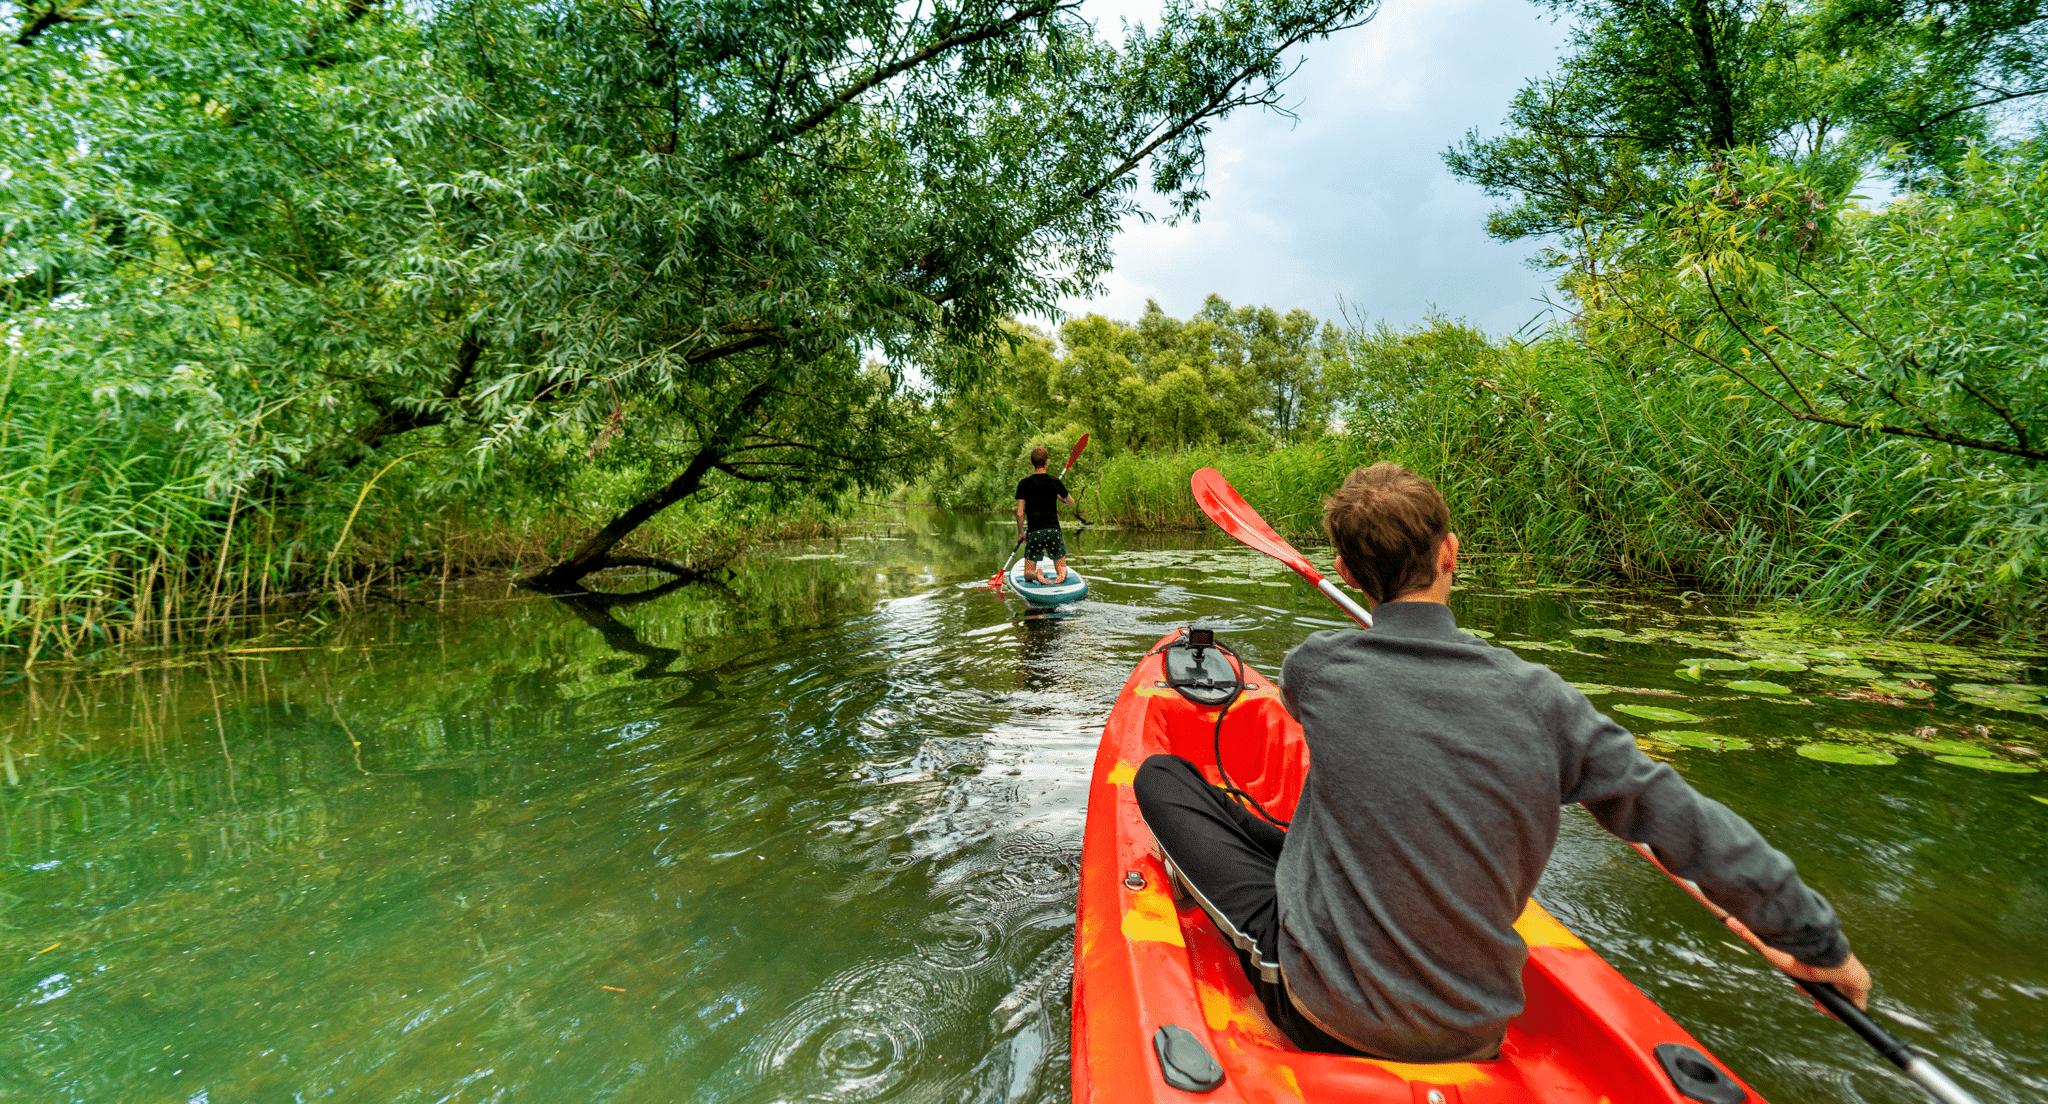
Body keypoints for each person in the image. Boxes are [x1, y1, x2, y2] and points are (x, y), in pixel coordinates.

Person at [1134, 462, 1870, 1063]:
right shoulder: (1546, 701)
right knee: (1313, 829)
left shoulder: (1314, 668)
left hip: (1325, 1014)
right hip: (1478, 1034)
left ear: (1346, 571)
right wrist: (1818, 943)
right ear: (1451, 553)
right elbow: (1688, 820)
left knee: (1161, 780)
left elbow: (1368, 711)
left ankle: (1260, 923)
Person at [1014, 445, 1078, 584]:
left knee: (1027, 574)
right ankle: (1061, 573)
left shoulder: (1024, 484)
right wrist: (1060, 498)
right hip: (1053, 530)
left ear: (1032, 463)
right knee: (1061, 567)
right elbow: (1071, 502)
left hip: (1034, 531)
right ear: (1047, 461)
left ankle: (1036, 575)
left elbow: (1020, 513)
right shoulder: (1055, 482)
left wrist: (1020, 533)